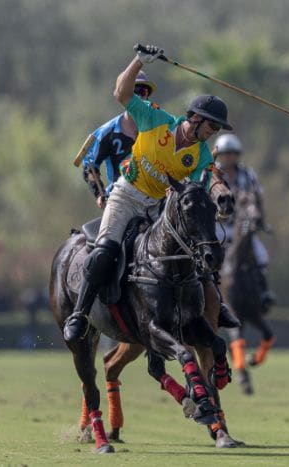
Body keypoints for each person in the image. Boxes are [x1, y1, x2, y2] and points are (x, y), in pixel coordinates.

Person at [63, 44, 233, 343]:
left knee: (194, 256)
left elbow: (199, 186)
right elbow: (121, 94)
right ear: (194, 118)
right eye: (212, 124)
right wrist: (138, 62)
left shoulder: (201, 156)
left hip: (158, 207)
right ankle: (80, 312)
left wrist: (219, 197)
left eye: (218, 128)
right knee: (105, 251)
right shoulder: (156, 120)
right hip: (126, 196)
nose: (214, 131)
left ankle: (213, 306)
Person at [214, 133, 277, 308]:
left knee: (261, 255)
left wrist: (261, 221)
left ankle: (263, 292)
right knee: (205, 255)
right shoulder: (212, 173)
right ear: (219, 155)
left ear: (237, 155)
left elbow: (257, 198)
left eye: (232, 153)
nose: (228, 157)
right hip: (217, 226)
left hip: (241, 227)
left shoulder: (248, 174)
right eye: (225, 153)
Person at [81, 71, 158, 209]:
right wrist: (100, 194)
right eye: (133, 92)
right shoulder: (107, 132)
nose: (138, 97)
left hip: (156, 199)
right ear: (123, 96)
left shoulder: (160, 127)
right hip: (121, 200)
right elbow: (89, 165)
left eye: (143, 91)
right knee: (108, 232)